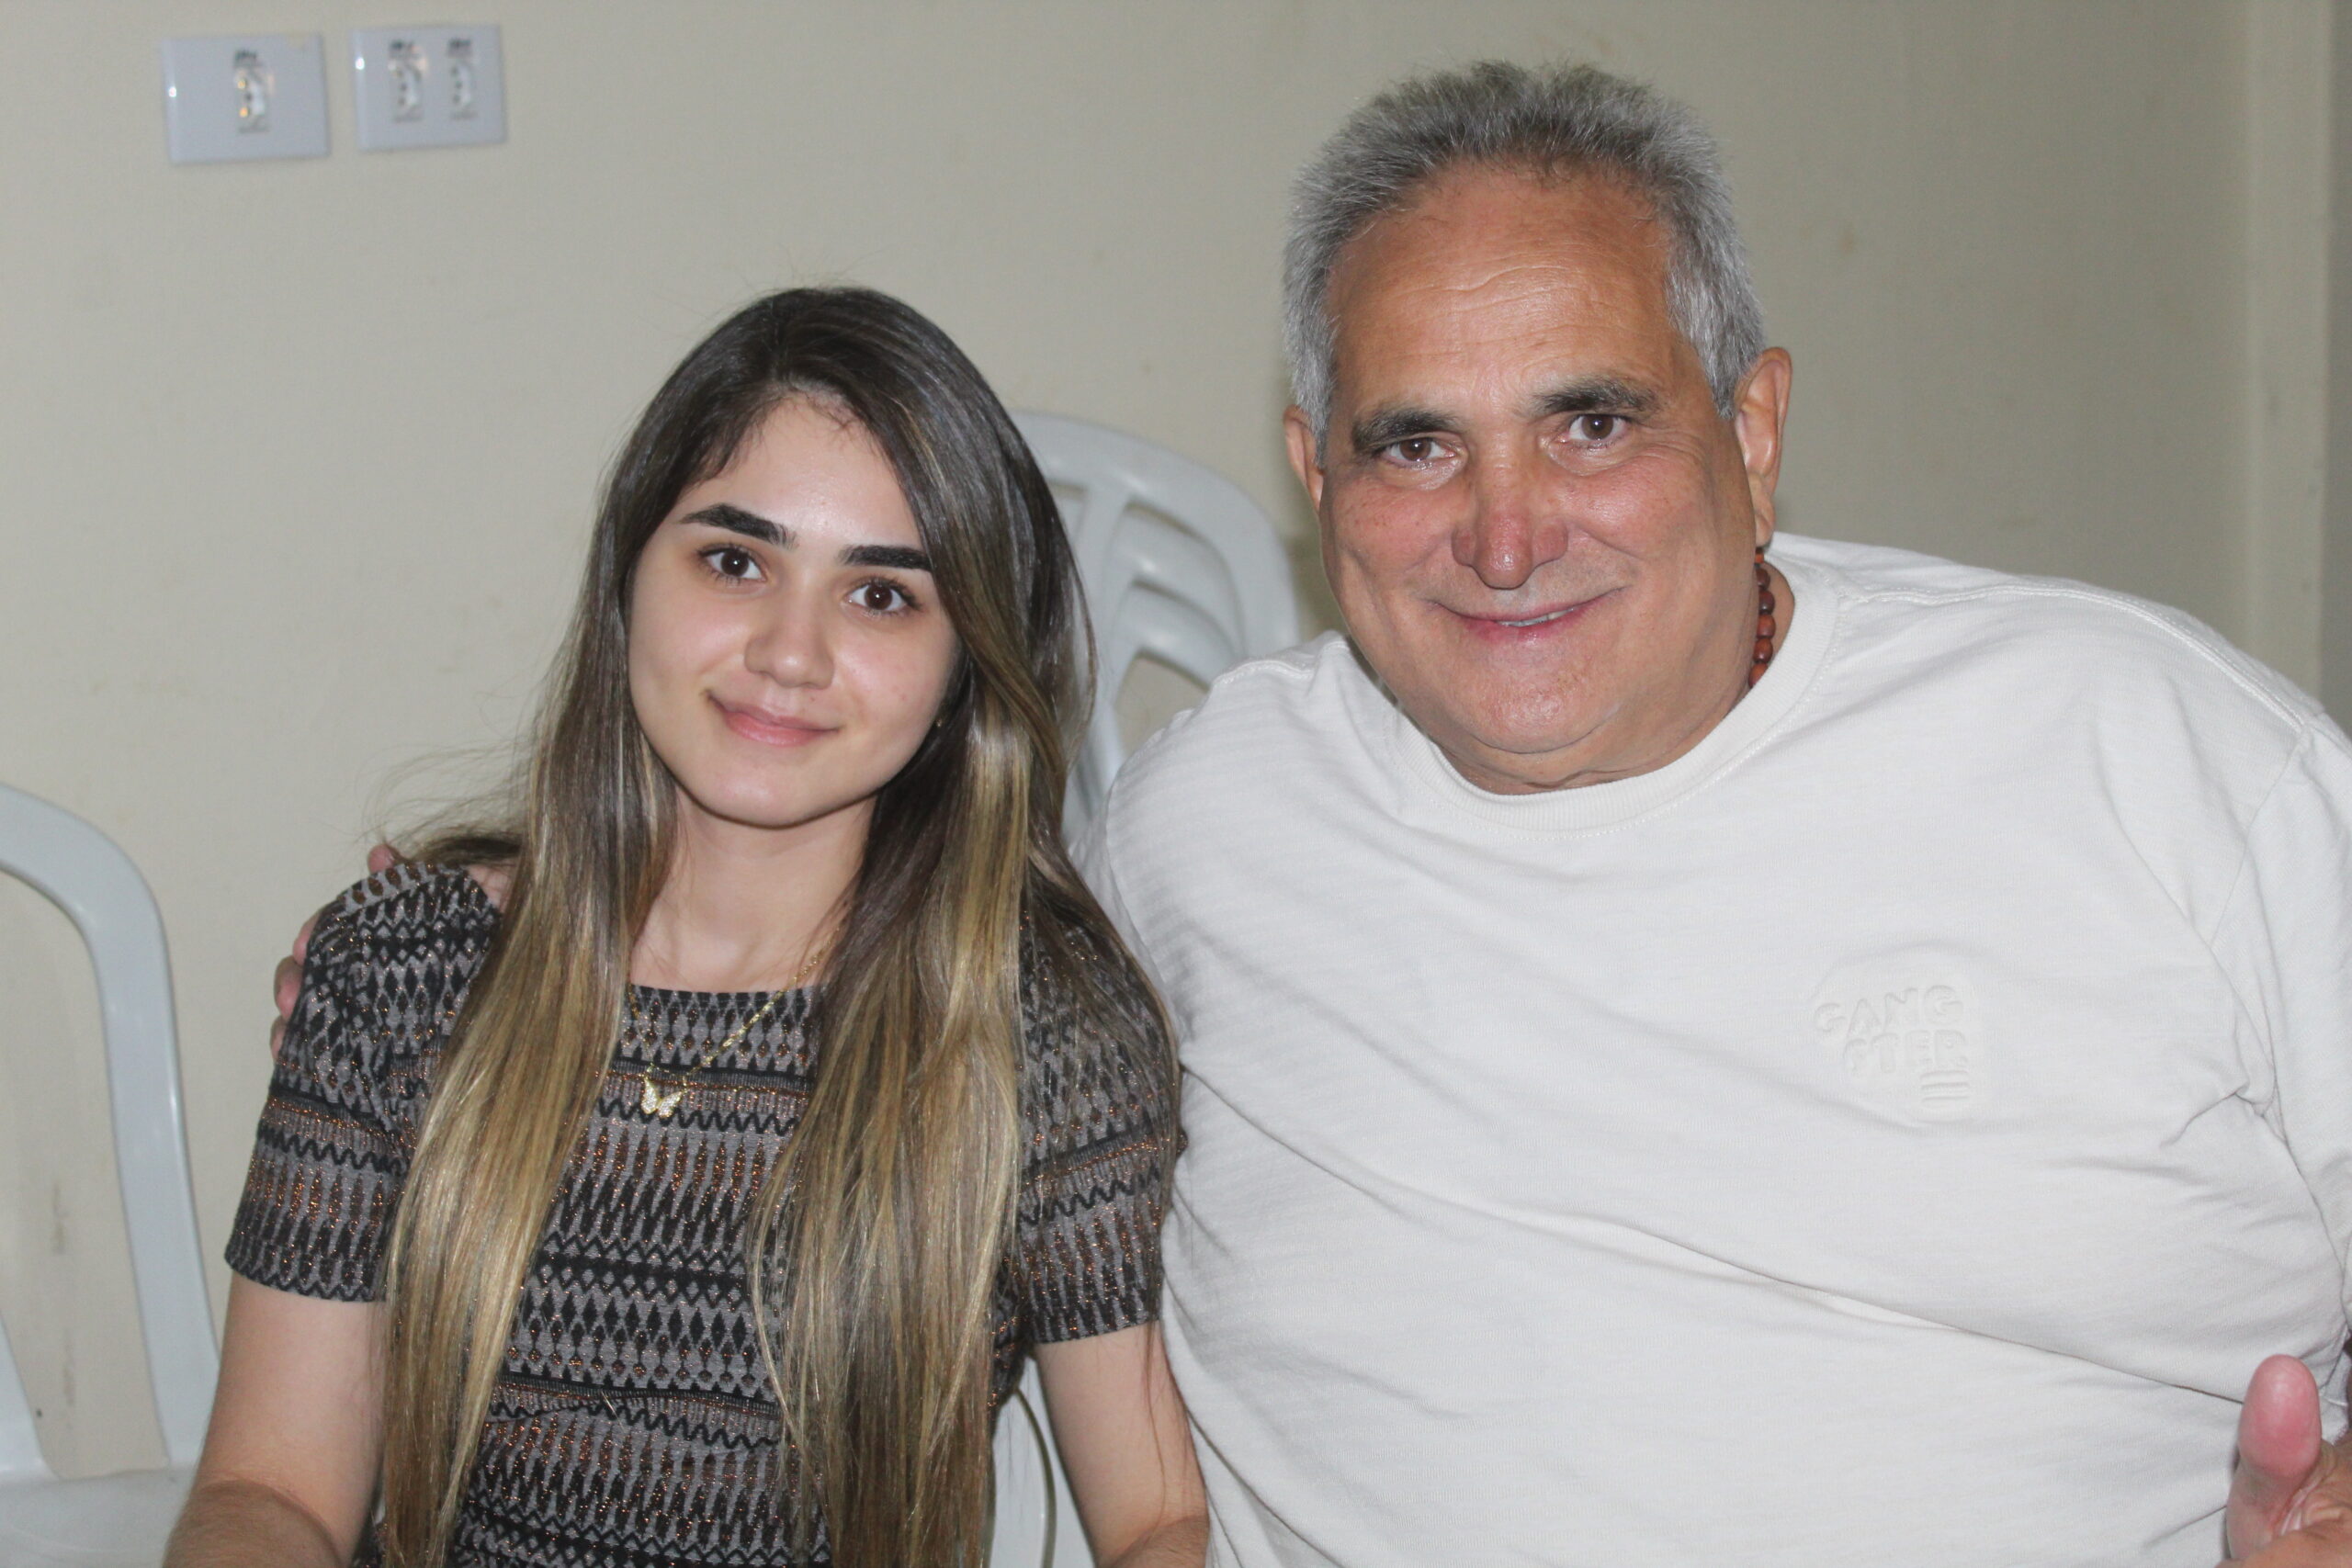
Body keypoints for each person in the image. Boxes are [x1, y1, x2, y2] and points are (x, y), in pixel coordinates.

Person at [1075, 62, 2352, 1565]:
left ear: (1752, 431)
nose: (1505, 538)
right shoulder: (1201, 827)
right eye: (1417, 445)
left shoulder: (2154, 756)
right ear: (1314, 474)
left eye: (1590, 424)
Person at [175, 288, 1207, 1568]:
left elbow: (1159, 1518)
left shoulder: (1040, 1031)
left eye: (882, 595)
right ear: (629, 575)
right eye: (735, 561)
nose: (790, 653)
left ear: (964, 668)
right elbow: (269, 1490)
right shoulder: (402, 973)